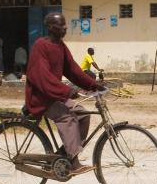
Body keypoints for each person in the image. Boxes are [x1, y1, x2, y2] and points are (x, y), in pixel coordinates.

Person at [25, 13, 105, 174]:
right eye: (60, 25)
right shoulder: (41, 46)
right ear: (49, 28)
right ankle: (74, 162)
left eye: (64, 25)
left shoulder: (61, 46)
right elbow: (43, 77)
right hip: (40, 98)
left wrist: (94, 85)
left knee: (83, 114)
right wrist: (68, 91)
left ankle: (63, 155)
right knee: (67, 117)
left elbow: (73, 70)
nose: (64, 28)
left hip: (54, 96)